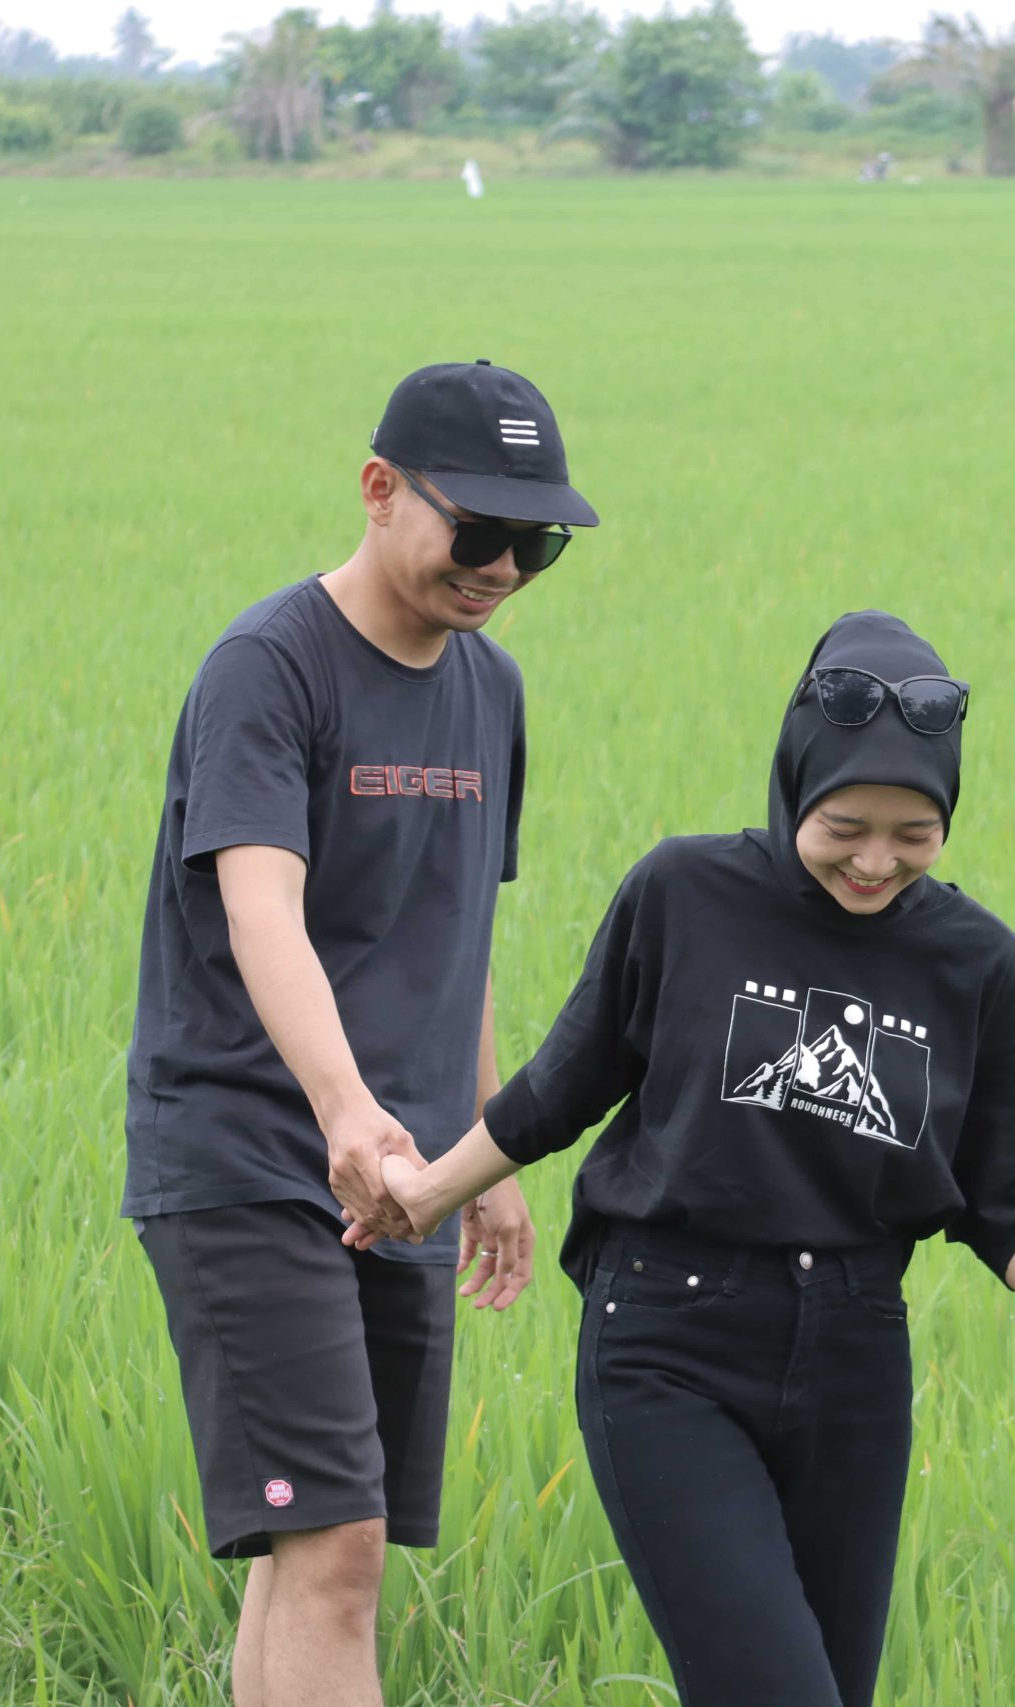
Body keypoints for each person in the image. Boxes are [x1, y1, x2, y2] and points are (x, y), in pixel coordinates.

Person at [345, 611, 1015, 1707]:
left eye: (915, 835)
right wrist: (431, 1194)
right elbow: (565, 1084)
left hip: (857, 1362)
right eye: (845, 826)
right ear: (796, 781)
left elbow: (1005, 1204)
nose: (875, 861)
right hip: (669, 1342)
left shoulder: (977, 964)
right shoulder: (686, 895)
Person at [122, 360, 598, 1707]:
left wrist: (483, 1148)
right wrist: (343, 1111)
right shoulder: (269, 669)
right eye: (479, 530)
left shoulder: (491, 691)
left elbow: (458, 931)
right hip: (252, 1155)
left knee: (318, 1545)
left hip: (405, 1171)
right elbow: (260, 906)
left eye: (537, 544)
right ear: (380, 489)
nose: (502, 567)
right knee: (334, 1546)